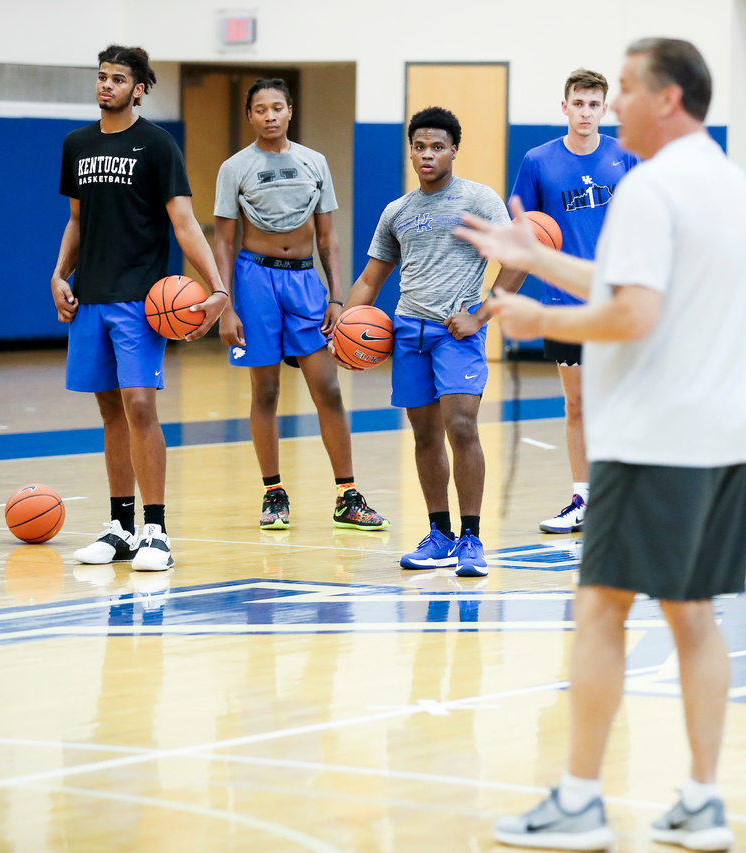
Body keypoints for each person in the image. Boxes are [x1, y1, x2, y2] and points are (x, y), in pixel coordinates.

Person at [458, 38, 746, 851]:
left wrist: (534, 316)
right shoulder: (727, 181)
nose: (613, 102)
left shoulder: (650, 185)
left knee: (598, 610)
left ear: (667, 99)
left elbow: (631, 315)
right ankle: (702, 798)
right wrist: (539, 258)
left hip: (656, 436)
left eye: (625, 88)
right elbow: (634, 283)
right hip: (724, 435)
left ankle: (581, 799)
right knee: (693, 615)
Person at [54, 45, 228, 572]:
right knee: (110, 411)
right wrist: (59, 274)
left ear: (140, 87)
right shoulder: (77, 144)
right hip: (92, 297)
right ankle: (120, 527)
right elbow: (78, 222)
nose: (107, 86)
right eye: (102, 77)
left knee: (141, 406)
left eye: (118, 79)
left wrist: (217, 288)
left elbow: (185, 224)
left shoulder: (156, 145)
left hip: (141, 301)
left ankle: (156, 530)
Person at [340, 107, 525, 578]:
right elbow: (370, 278)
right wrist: (343, 327)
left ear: (454, 151)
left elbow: (518, 259)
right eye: (419, 147)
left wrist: (481, 314)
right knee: (424, 436)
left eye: (437, 146)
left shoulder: (478, 200)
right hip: (407, 333)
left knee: (461, 427)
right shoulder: (396, 212)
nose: (427, 154)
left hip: (456, 334)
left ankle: (472, 539)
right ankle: (439, 533)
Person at [213, 78, 388, 531]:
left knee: (327, 388)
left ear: (290, 111)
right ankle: (274, 493)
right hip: (254, 280)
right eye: (260, 109)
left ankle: (347, 495)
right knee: (265, 392)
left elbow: (328, 237)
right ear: (249, 115)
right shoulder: (234, 168)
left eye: (277, 107)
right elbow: (223, 241)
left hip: (305, 282)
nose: (269, 116)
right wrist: (226, 305)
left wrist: (335, 296)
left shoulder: (315, 163)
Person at [510, 68, 638, 535]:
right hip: (564, 302)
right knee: (579, 405)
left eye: (593, 104)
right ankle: (582, 498)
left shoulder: (626, 156)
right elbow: (522, 226)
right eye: (578, 104)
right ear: (564, 107)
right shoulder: (538, 162)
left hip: (619, 300)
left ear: (604, 109)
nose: (585, 113)